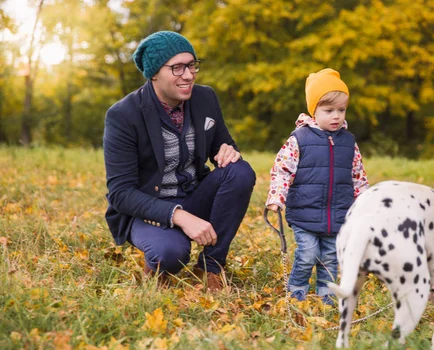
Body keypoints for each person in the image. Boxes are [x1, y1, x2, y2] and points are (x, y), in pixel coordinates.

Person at [103, 31, 255, 291]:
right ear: (154, 73)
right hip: (149, 207)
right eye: (177, 68)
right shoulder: (123, 115)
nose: (188, 75)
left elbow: (222, 143)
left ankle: (212, 266)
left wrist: (228, 151)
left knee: (240, 172)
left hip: (193, 194)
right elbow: (121, 194)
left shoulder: (205, 98)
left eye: (192, 64)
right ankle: (160, 259)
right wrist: (179, 216)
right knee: (171, 254)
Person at [265, 68, 369, 305]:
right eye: (329, 110)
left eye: (341, 110)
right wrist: (276, 197)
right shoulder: (299, 139)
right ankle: (297, 289)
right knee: (307, 254)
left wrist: (364, 204)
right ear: (314, 110)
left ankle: (327, 293)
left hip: (338, 213)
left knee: (331, 257)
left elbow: (358, 176)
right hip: (305, 213)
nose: (336, 116)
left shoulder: (349, 142)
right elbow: (282, 170)